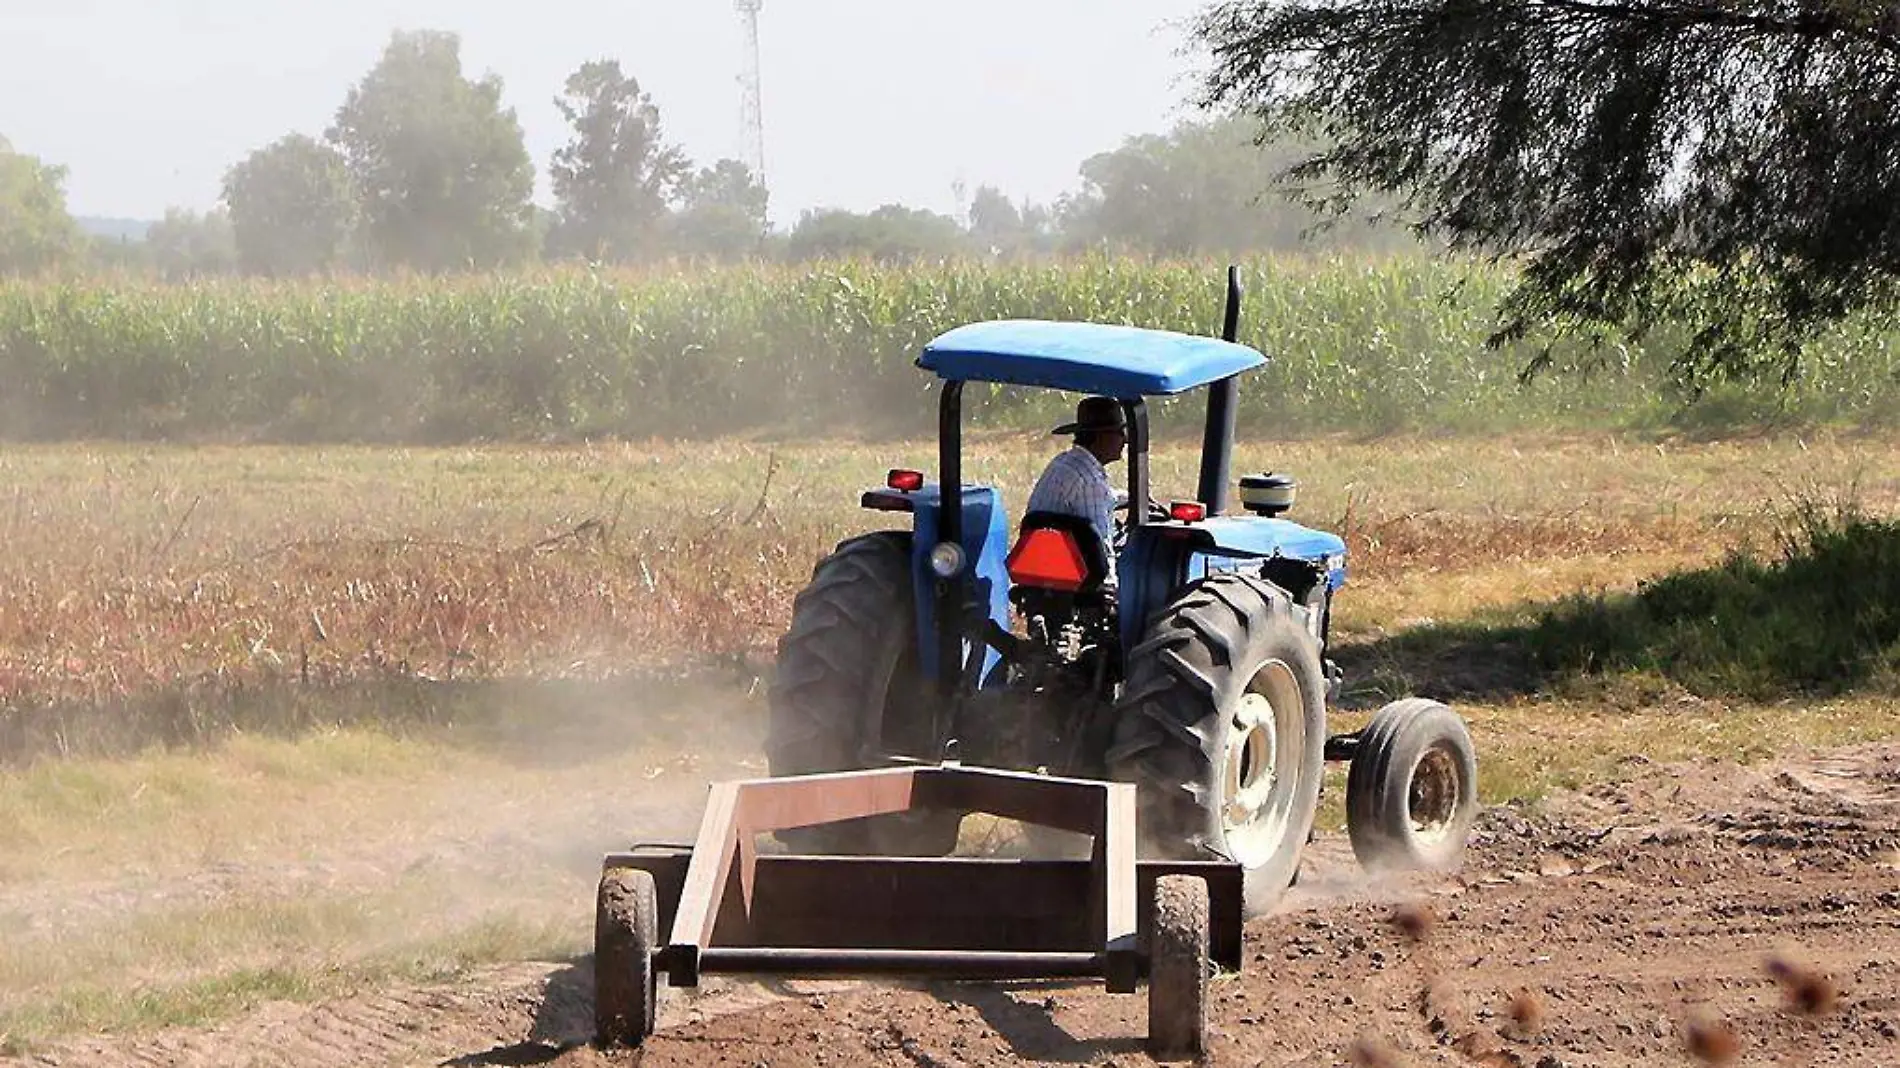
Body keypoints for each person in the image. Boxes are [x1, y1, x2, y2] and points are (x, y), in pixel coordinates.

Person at [1025, 395, 1127, 551]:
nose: (1124, 440)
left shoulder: (1063, 463)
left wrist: (1131, 498)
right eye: (1119, 432)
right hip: (1075, 570)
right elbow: (1103, 551)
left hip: (1043, 560)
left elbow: (1097, 496)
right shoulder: (1089, 481)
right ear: (1101, 437)